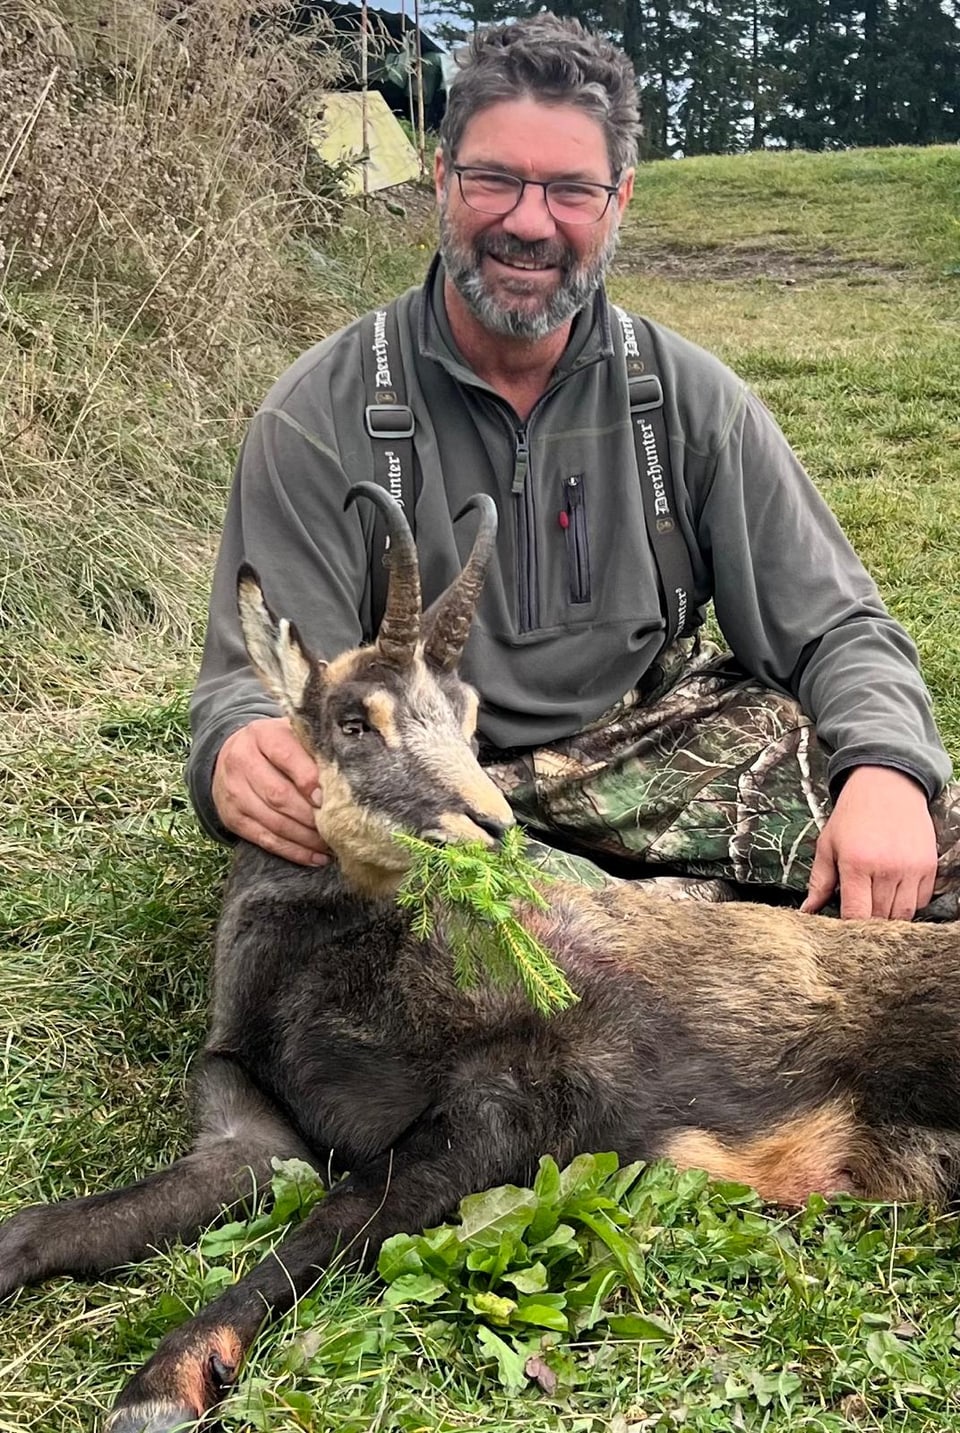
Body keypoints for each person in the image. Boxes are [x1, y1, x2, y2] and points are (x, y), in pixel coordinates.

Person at [187, 13, 960, 921]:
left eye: (570, 191)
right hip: (429, 775)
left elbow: (837, 625)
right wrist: (237, 750)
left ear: (619, 200)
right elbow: (261, 681)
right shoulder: (317, 415)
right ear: (441, 180)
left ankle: (685, 921)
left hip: (656, 740)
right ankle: (685, 932)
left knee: (926, 846)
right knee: (361, 923)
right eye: (494, 181)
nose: (528, 221)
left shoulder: (688, 400)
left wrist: (884, 772)